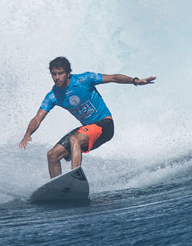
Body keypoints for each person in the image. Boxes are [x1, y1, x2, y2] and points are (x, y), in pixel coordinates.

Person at [18, 56, 155, 178]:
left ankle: (75, 177)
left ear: (68, 73)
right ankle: (60, 188)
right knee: (52, 155)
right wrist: (27, 134)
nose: (57, 77)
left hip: (105, 124)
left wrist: (135, 81)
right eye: (54, 74)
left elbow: (113, 77)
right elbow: (37, 118)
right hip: (88, 129)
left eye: (60, 73)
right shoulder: (53, 96)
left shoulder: (85, 79)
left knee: (74, 139)